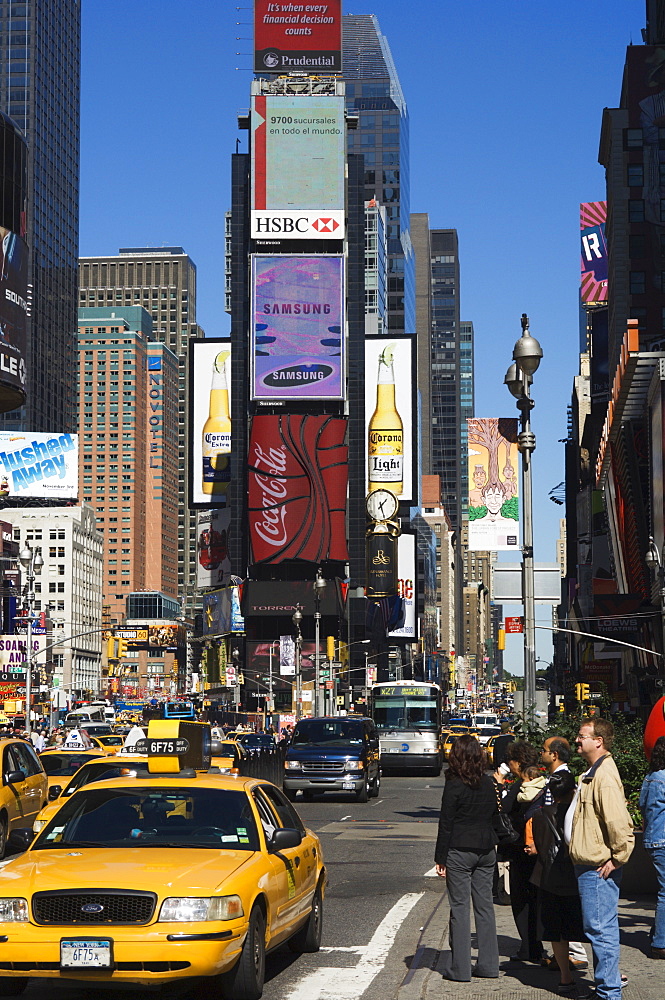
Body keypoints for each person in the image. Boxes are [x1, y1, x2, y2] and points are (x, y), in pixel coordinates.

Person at [566, 717, 634, 1000]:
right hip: (590, 864)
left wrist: (618, 857)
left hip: (597, 866)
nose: (578, 740)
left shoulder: (603, 775)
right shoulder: (595, 771)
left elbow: (619, 822)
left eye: (582, 736)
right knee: (598, 928)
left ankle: (608, 993)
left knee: (600, 929)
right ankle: (606, 989)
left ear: (599, 741)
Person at [434, 734, 499, 982]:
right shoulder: (488, 783)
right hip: (485, 849)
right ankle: (489, 965)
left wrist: (440, 858)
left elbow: (446, 822)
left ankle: (460, 969)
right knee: (485, 908)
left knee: (459, 908)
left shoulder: (454, 784)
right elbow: (494, 816)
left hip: (460, 850)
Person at [531, 769, 591, 999]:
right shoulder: (581, 814)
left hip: (550, 879)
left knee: (557, 933)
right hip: (577, 876)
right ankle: (606, 974)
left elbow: (540, 845)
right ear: (573, 791)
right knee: (592, 928)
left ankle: (565, 977)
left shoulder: (540, 815)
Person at [538, 735, 589, 972]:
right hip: (558, 854)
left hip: (563, 856)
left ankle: (575, 955)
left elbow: (557, 817)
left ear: (555, 754)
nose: (542, 753)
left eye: (544, 750)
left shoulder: (564, 780)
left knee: (565, 911)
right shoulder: (559, 779)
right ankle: (567, 958)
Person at [496, 739, 547, 966]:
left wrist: (499, 785)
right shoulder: (543, 782)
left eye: (511, 760)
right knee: (537, 899)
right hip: (540, 848)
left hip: (520, 848)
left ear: (517, 762)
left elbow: (504, 809)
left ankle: (529, 947)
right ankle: (538, 944)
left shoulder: (520, 785)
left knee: (521, 899)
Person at [639, 733, 665, 959]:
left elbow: (642, 806)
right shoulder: (664, 778)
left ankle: (658, 935)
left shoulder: (650, 777)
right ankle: (659, 942)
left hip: (652, 839)